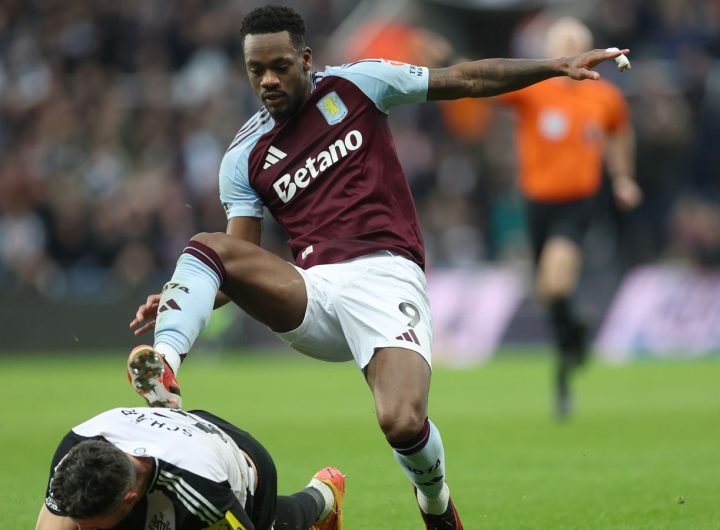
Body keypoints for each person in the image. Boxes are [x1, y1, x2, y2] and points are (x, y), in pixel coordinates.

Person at [127, 6, 630, 528]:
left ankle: (435, 504)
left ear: (305, 59)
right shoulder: (243, 157)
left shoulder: (359, 85)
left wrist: (555, 65)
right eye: (256, 70)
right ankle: (165, 364)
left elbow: (466, 78)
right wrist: (190, 293)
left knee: (402, 421)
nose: (268, 80)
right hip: (313, 291)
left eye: (279, 66)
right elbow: (239, 259)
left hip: (386, 276)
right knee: (206, 246)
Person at [495, 17, 642, 418]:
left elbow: (620, 133)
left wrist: (623, 177)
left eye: (578, 43)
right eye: (564, 44)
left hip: (579, 203)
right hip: (536, 204)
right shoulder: (534, 90)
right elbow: (490, 85)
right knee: (548, 292)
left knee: (556, 282)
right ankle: (572, 345)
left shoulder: (605, 97)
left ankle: (568, 356)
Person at [36, 405, 345, 530]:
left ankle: (323, 495)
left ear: (130, 498)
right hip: (180, 438)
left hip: (242, 468)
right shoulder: (75, 452)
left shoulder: (202, 497)